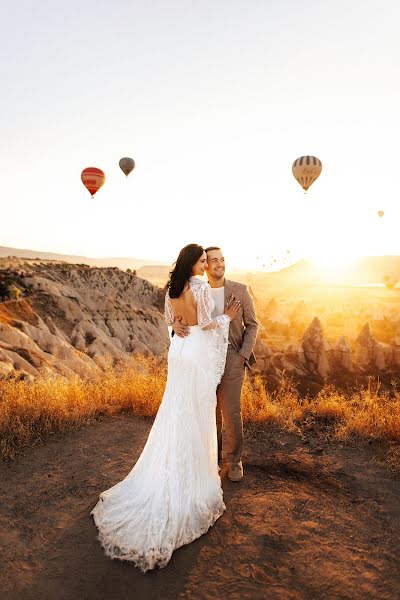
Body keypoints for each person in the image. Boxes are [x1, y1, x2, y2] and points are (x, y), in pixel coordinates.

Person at [91, 244, 241, 572]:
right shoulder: (200, 287)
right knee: (196, 416)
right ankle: (191, 480)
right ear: (194, 262)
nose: (206, 264)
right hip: (196, 359)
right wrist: (226, 317)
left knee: (175, 412)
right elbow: (205, 323)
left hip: (179, 356)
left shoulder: (172, 288)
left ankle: (170, 469)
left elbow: (173, 324)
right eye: (203, 260)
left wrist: (178, 329)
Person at [172, 247, 258, 482]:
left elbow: (252, 324)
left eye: (223, 259)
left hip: (231, 356)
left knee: (231, 410)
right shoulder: (197, 289)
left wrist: (243, 354)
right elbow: (186, 319)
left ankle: (234, 461)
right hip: (204, 357)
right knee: (209, 409)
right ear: (204, 265)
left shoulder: (240, 290)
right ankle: (213, 461)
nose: (220, 264)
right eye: (213, 260)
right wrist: (174, 327)